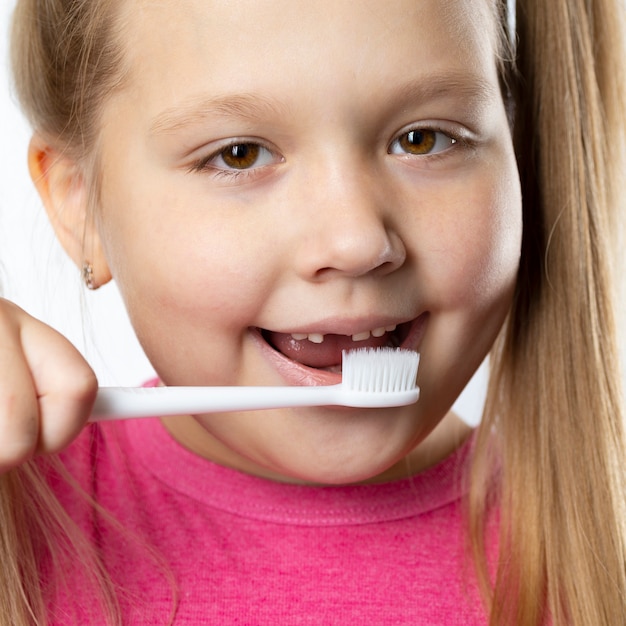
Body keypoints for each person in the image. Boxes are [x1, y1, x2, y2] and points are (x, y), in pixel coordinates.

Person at [0, 0, 624, 623]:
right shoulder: (19, 524)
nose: (356, 242)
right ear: (80, 206)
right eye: (239, 154)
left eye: (423, 139)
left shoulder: (605, 553)